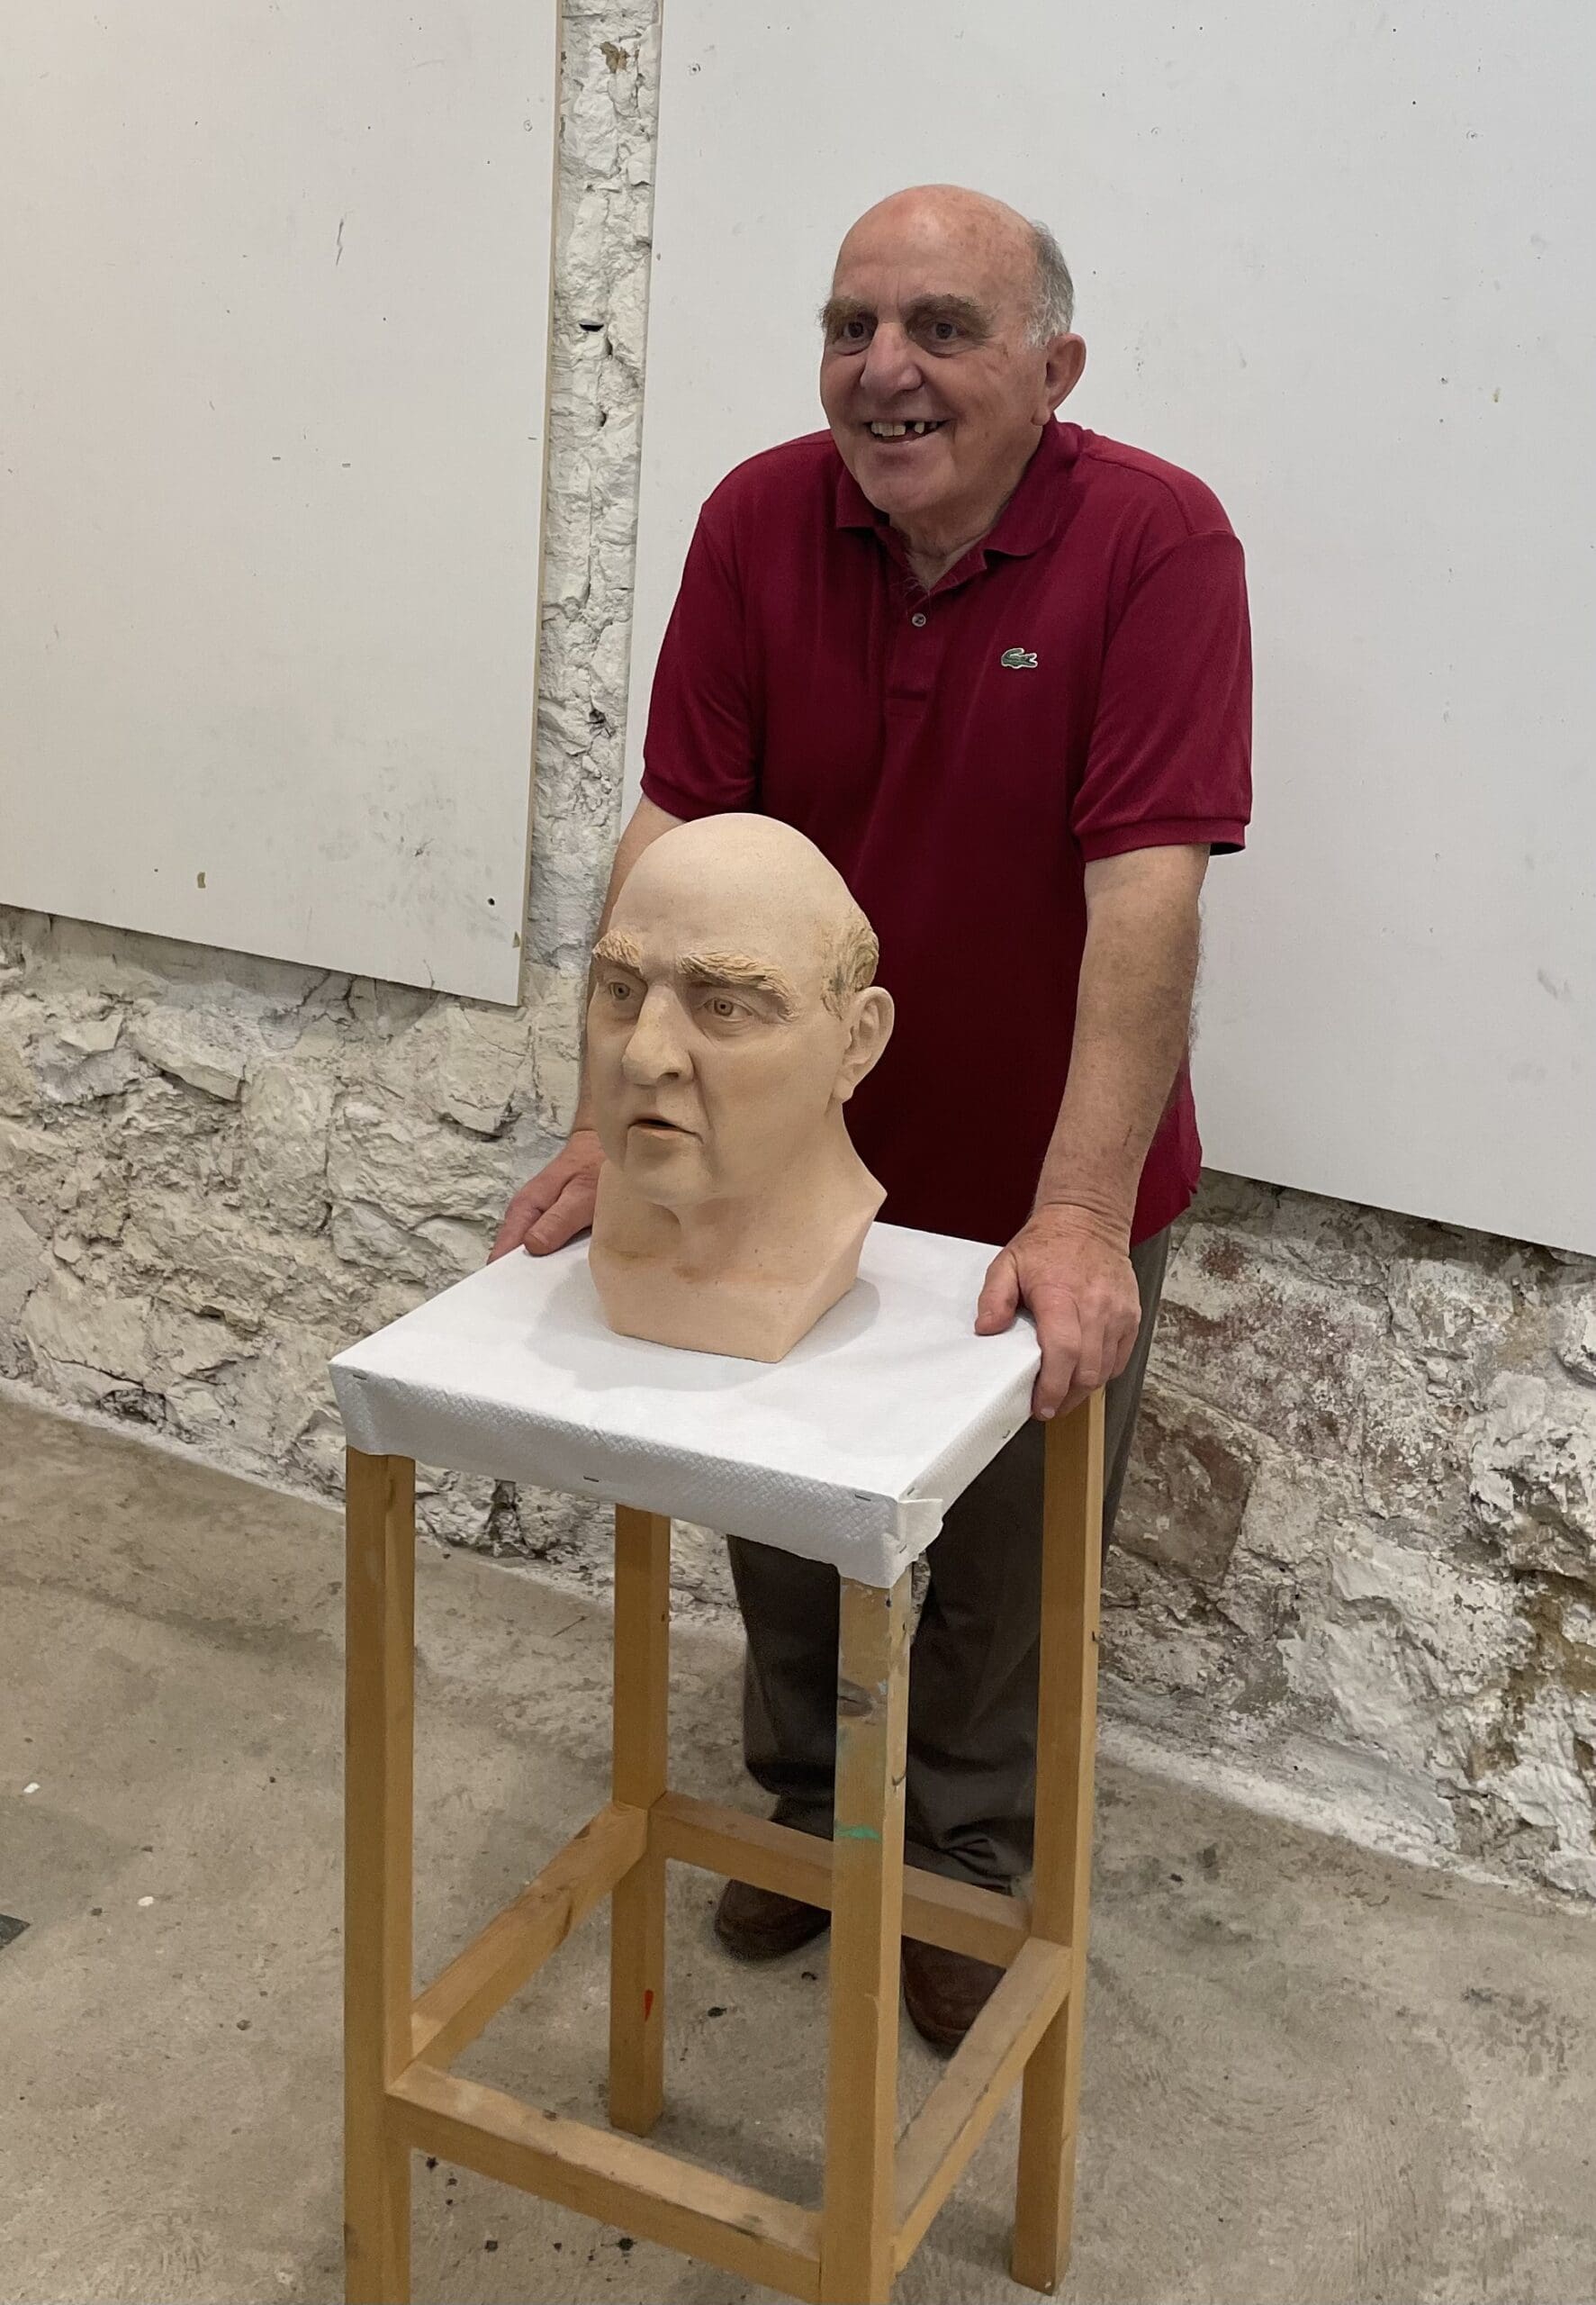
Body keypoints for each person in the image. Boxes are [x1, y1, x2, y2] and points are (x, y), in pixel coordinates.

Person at [492, 183, 1252, 2049]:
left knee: (1004, 1562)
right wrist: (610, 1122)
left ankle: (965, 1867)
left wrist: (1079, 1213)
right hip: (792, 1159)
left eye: (940, 328)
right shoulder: (760, 519)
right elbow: (673, 835)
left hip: (1042, 1165)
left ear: (1053, 369)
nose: (883, 368)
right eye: (851, 327)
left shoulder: (1154, 542)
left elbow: (1144, 893)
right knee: (779, 1501)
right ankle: (812, 1814)